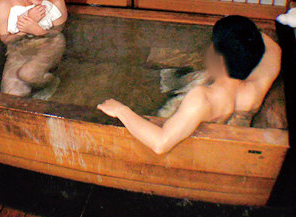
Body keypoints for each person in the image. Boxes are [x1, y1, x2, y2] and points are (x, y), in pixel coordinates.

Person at [97, 15, 281, 154]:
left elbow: (160, 143)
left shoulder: (202, 98)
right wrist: (241, 39)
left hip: (187, 147)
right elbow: (274, 48)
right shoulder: (256, 88)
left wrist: (121, 110)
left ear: (217, 57)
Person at [0, 0, 68, 98]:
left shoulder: (56, 2)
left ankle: (51, 81)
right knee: (12, 95)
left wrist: (41, 32)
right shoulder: (5, 5)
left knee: (28, 75)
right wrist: (26, 27)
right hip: (19, 48)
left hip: (49, 43)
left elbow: (59, 32)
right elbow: (5, 39)